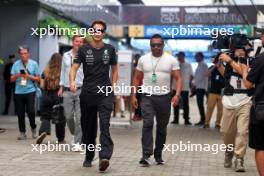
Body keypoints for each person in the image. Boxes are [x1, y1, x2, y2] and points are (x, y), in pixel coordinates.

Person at [70, 20, 118, 172]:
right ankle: (89, 155)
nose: (97, 33)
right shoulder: (83, 49)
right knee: (88, 126)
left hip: (105, 93)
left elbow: (115, 69)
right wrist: (72, 80)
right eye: (94, 30)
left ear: (104, 33)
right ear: (91, 32)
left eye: (100, 30)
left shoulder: (110, 49)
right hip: (88, 93)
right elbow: (74, 67)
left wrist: (114, 84)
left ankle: (104, 156)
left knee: (105, 124)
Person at [132, 34, 182, 166]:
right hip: (147, 96)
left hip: (165, 97)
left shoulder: (171, 60)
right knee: (147, 123)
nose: (156, 47)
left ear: (163, 45)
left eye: (158, 45)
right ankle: (146, 155)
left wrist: (177, 94)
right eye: (153, 45)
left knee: (162, 127)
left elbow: (178, 78)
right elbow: (137, 78)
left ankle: (158, 154)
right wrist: (133, 95)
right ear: (150, 46)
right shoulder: (143, 59)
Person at [219, 48, 254, 172]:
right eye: (237, 49)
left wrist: (230, 62)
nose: (239, 51)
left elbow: (248, 77)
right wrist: (219, 65)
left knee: (242, 131)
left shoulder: (252, 60)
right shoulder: (229, 60)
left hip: (245, 100)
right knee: (226, 131)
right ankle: (229, 151)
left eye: (241, 49)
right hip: (229, 101)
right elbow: (226, 76)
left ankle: (239, 158)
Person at [240, 32, 264, 176]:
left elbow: (248, 84)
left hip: (261, 110)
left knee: (261, 147)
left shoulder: (261, 59)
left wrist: (244, 71)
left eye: (263, 36)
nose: (261, 39)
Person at [58, 35, 84, 150]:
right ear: (72, 42)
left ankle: (78, 142)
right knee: (68, 116)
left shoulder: (85, 55)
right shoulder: (66, 55)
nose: (78, 43)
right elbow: (63, 71)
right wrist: (61, 87)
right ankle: (75, 134)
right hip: (68, 90)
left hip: (81, 89)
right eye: (76, 41)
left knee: (79, 118)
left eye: (80, 42)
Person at [10, 46, 40, 140]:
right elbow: (11, 79)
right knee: (20, 113)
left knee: (31, 111)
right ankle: (22, 133)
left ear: (28, 54)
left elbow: (38, 78)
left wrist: (28, 76)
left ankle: (33, 128)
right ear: (19, 54)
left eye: (25, 53)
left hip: (30, 90)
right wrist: (18, 75)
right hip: (18, 91)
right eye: (21, 53)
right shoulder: (16, 64)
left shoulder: (34, 64)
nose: (23, 55)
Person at [36, 53, 66, 144]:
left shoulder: (45, 71)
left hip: (46, 95)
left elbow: (41, 85)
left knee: (45, 116)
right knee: (59, 117)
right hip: (58, 96)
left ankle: (43, 132)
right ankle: (60, 139)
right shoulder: (63, 71)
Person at [171, 51, 193, 125]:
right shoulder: (174, 65)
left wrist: (190, 85)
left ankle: (186, 119)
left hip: (185, 87)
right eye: (178, 56)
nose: (179, 57)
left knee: (185, 104)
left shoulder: (188, 64)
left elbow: (191, 75)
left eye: (180, 56)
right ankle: (176, 119)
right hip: (175, 87)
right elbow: (171, 75)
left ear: (183, 56)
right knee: (175, 103)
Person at [204, 55, 225, 129]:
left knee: (220, 110)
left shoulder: (224, 68)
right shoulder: (212, 67)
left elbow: (226, 75)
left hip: (222, 92)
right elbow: (206, 74)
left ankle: (218, 123)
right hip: (212, 92)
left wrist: (220, 66)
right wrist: (215, 66)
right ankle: (206, 123)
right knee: (209, 108)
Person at [193, 52, 208, 126]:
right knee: (200, 104)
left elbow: (201, 76)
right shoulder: (199, 65)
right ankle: (203, 119)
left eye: (196, 57)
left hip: (202, 87)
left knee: (200, 104)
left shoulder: (203, 65)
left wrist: (194, 84)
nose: (195, 58)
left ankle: (203, 119)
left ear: (200, 57)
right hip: (199, 87)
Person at [133, 54, 143, 121]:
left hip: (141, 86)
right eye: (136, 58)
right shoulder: (133, 66)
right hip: (135, 86)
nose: (137, 59)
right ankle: (137, 114)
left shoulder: (142, 67)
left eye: (138, 58)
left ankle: (139, 115)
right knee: (136, 100)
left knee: (139, 101)